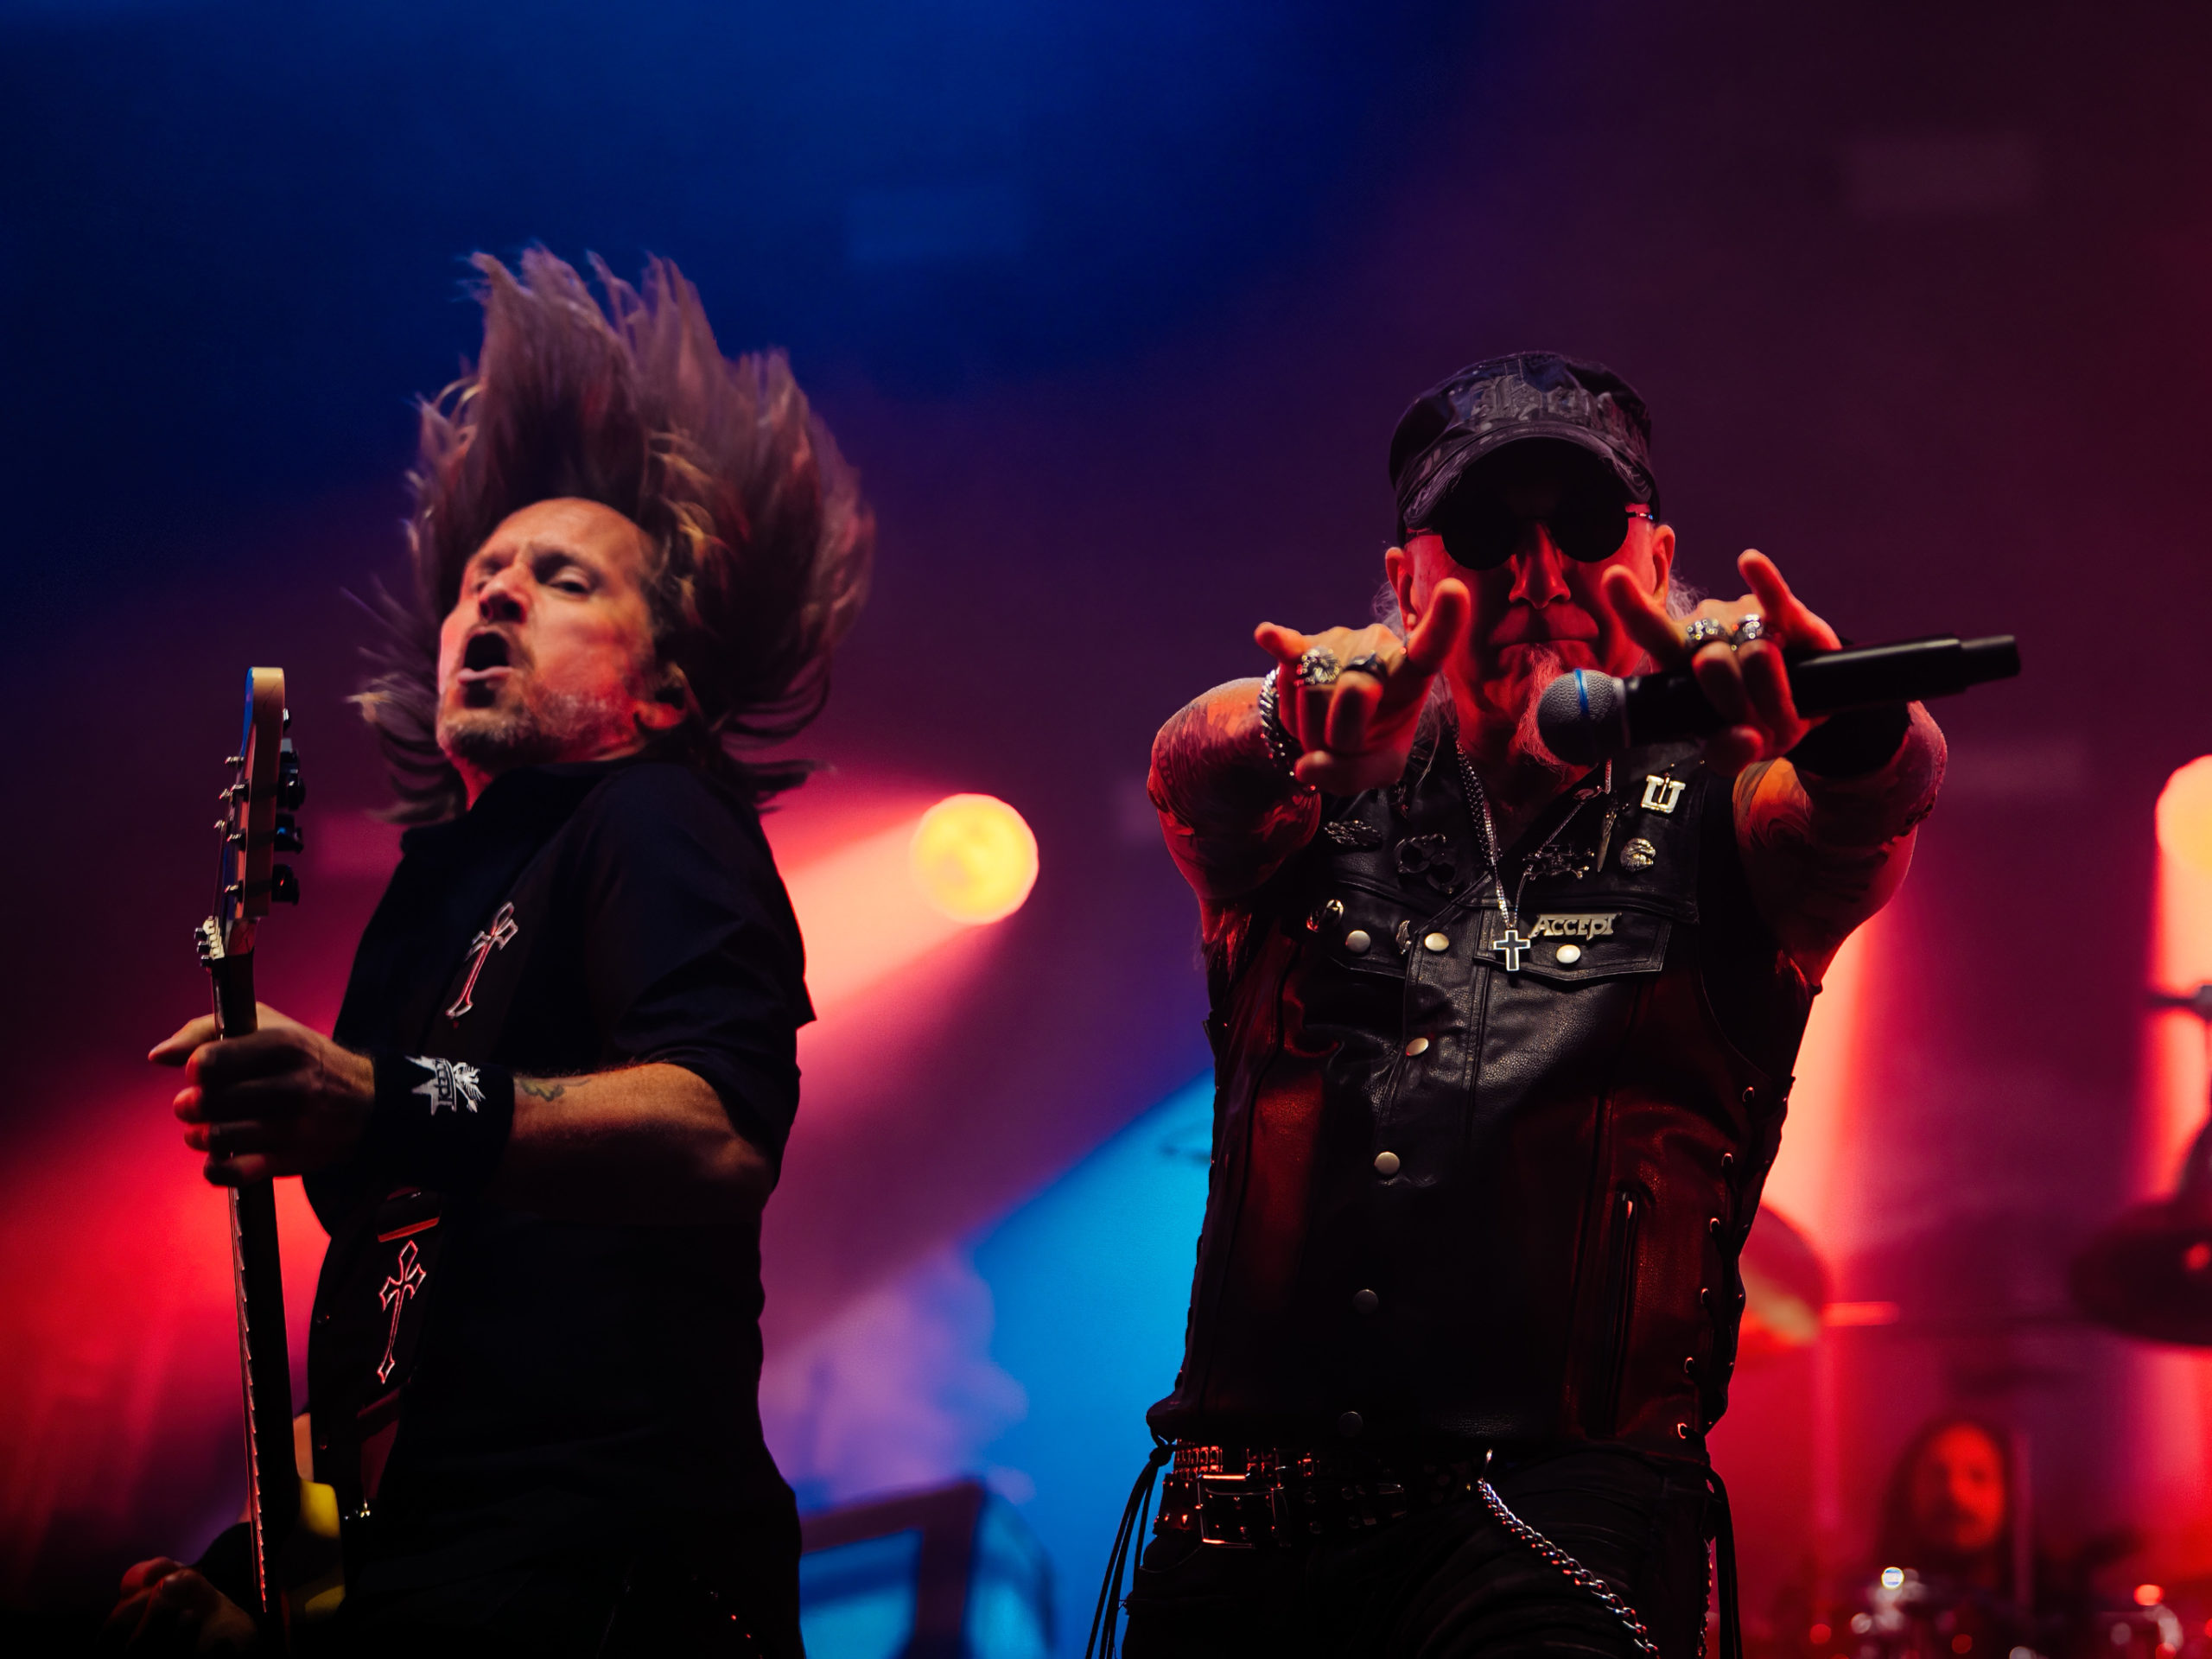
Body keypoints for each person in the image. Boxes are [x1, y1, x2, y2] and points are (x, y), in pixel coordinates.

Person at [100, 251, 872, 1656]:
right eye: (480, 580)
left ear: (662, 689)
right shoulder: (427, 905)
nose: (497, 601)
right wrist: (256, 1577)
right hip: (429, 1582)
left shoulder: (655, 815)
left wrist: (379, 1099)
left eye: (561, 581)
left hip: (609, 1582)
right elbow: (396, 1338)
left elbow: (716, 1134)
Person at [1120, 353, 1947, 1659]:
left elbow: (1878, 805)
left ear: (1658, 561)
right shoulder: (1315, 782)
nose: (1541, 573)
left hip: (1558, 1522)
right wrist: (1289, 711)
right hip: (1244, 1534)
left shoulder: (1735, 802)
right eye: (1485, 533)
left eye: (1587, 528)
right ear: (1406, 582)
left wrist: (1833, 711)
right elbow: (1186, 771)